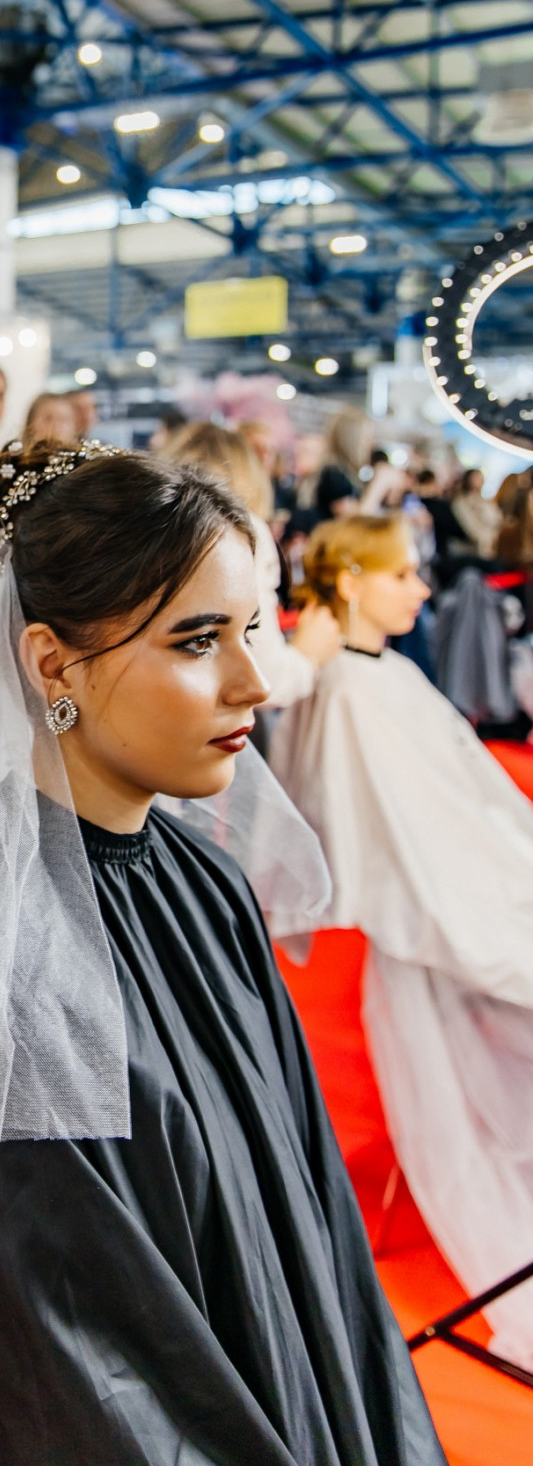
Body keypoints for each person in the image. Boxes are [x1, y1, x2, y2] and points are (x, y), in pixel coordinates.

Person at [0, 445, 442, 1466]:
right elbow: (64, 1385)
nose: (251, 681)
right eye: (197, 640)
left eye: (250, 630)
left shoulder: (203, 882)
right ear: (53, 664)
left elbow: (303, 1228)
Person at [271, 513, 533, 1367]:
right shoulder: (352, 693)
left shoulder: (383, 676)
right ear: (350, 581)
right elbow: (401, 843)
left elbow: (461, 801)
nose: (423, 589)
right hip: (440, 911)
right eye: (401, 575)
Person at [162, 421, 340, 705]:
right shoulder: (239, 530)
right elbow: (265, 676)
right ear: (247, 468)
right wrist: (309, 652)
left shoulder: (161, 525)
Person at [451, 465, 501, 560]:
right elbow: (470, 527)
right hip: (472, 549)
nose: (480, 481)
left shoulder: (485, 501)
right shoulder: (460, 502)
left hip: (491, 543)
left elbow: (497, 519)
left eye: (481, 478)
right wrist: (487, 538)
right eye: (476, 478)